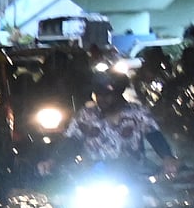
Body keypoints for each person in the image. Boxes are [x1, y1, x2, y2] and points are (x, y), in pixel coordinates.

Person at [38, 70, 180, 178]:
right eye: (98, 94)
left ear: (119, 94)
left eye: (107, 95)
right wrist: (52, 161)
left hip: (132, 173)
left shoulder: (138, 113)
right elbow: (71, 141)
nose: (102, 99)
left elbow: (154, 135)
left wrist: (167, 158)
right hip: (93, 175)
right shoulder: (85, 116)